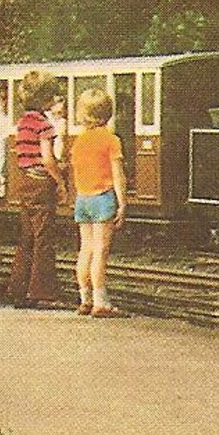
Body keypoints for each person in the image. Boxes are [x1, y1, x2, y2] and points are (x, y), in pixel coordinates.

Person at [5, 70, 67, 309]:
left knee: (27, 236)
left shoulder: (23, 122)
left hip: (24, 181)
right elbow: (48, 158)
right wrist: (60, 181)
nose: (56, 100)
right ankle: (42, 292)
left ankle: (18, 288)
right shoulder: (44, 125)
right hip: (41, 183)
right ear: (44, 98)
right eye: (53, 95)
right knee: (44, 236)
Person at [68, 88, 128, 317]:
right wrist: (122, 203)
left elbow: (76, 173)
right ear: (108, 113)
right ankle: (101, 302)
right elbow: (117, 175)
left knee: (86, 250)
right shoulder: (111, 140)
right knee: (101, 252)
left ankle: (85, 299)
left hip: (82, 199)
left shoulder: (79, 142)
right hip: (102, 198)